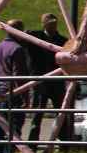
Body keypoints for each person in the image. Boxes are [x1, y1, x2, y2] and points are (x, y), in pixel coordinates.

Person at [0, 20, 30, 153]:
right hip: (14, 92)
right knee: (15, 125)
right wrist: (26, 96)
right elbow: (19, 76)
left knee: (1, 125)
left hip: (2, 90)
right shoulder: (17, 49)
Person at [27, 13, 69, 142]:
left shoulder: (63, 40)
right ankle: (32, 143)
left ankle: (64, 145)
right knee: (37, 115)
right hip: (40, 81)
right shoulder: (35, 37)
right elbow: (21, 40)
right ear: (43, 23)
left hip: (57, 81)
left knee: (61, 114)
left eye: (54, 22)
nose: (53, 25)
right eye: (50, 22)